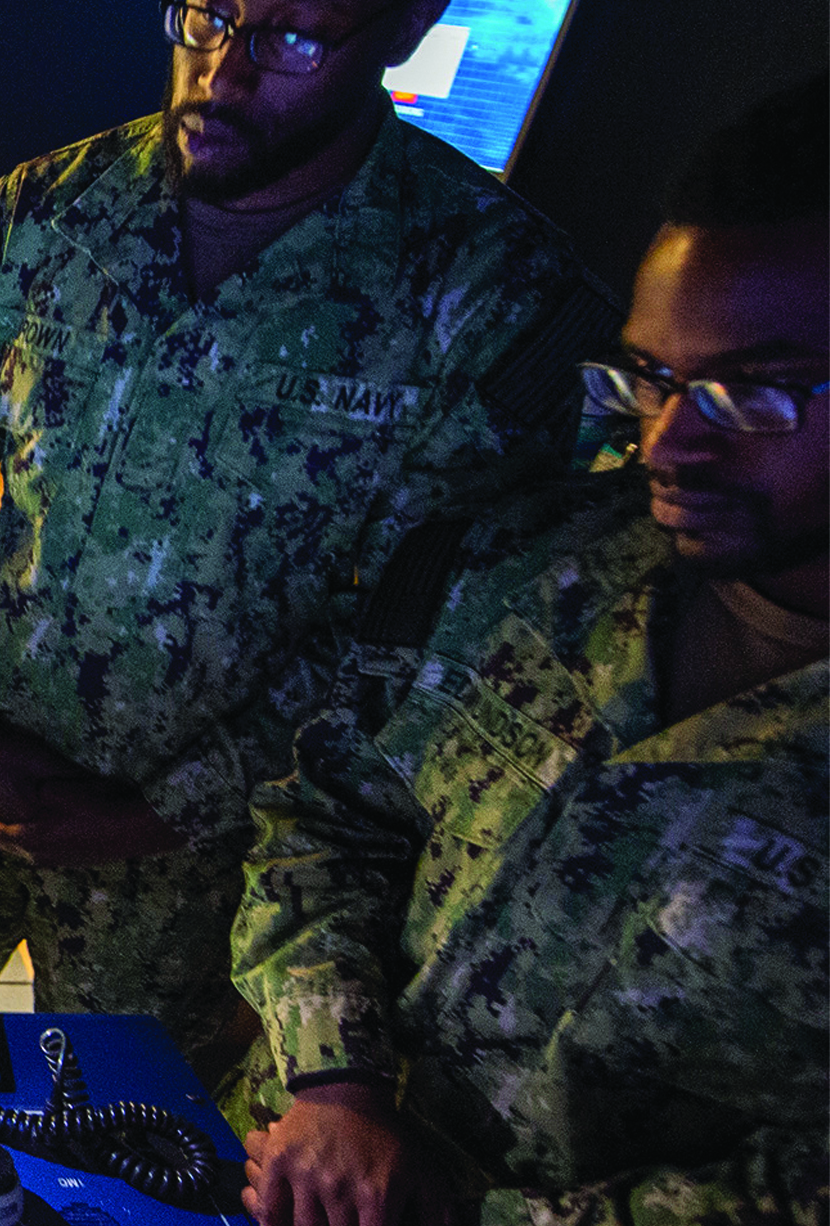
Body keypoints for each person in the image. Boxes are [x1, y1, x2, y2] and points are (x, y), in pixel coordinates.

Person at [0, 0, 615, 1091]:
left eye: (292, 37)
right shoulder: (28, 219)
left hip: (197, 861)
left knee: (119, 1136)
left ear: (406, 25)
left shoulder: (494, 300)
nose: (222, 71)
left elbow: (416, 639)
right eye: (207, 15)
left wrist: (161, 809)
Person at [233, 80, 827, 1226]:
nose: (668, 441)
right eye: (651, 376)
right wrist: (336, 1079)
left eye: (751, 392)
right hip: (283, 1167)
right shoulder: (540, 561)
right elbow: (331, 812)